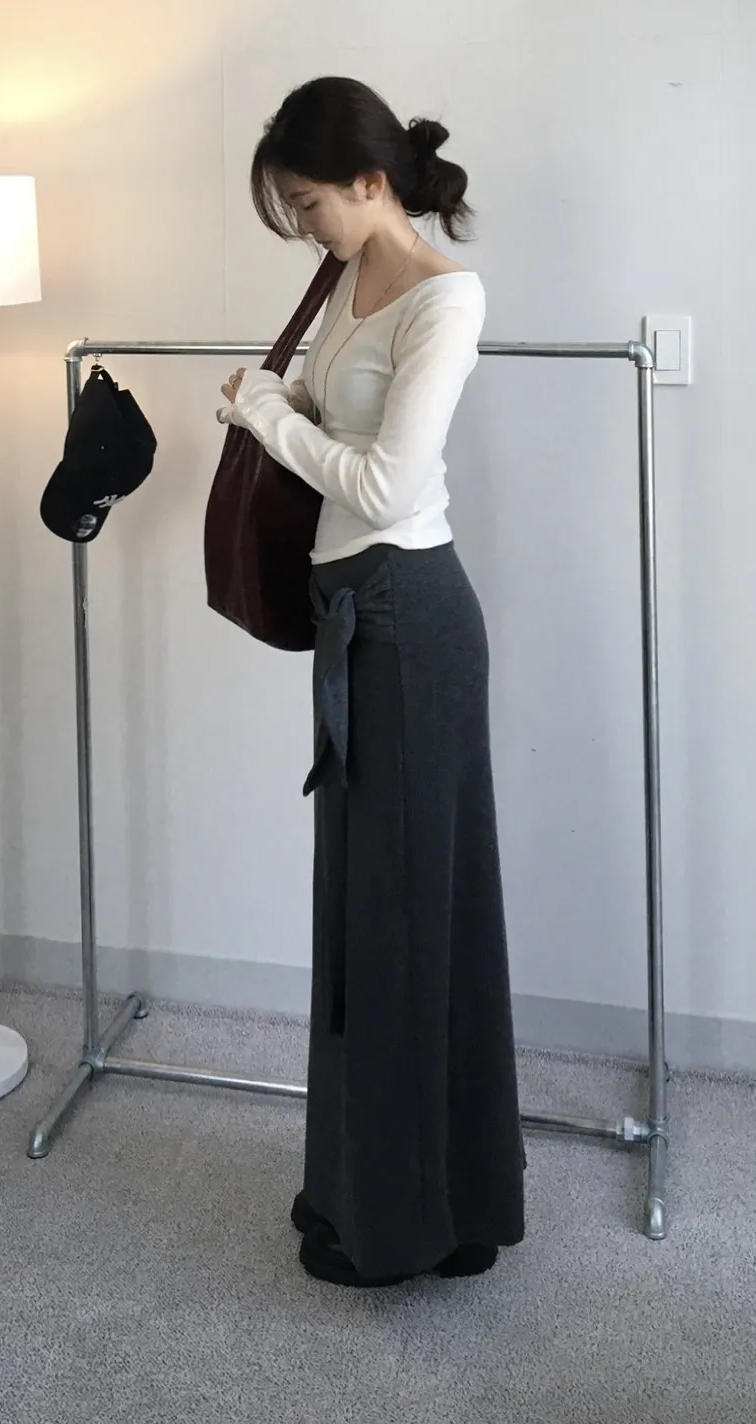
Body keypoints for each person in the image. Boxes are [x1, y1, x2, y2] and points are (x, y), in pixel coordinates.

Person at [218, 74, 526, 1289]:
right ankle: (397, 1199)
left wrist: (264, 419)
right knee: (373, 915)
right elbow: (338, 421)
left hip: (407, 619)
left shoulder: (446, 297)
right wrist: (285, 399)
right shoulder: (345, 282)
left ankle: (411, 1221)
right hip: (355, 615)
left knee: (407, 920)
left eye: (308, 203)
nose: (303, 226)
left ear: (367, 179)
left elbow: (387, 488)